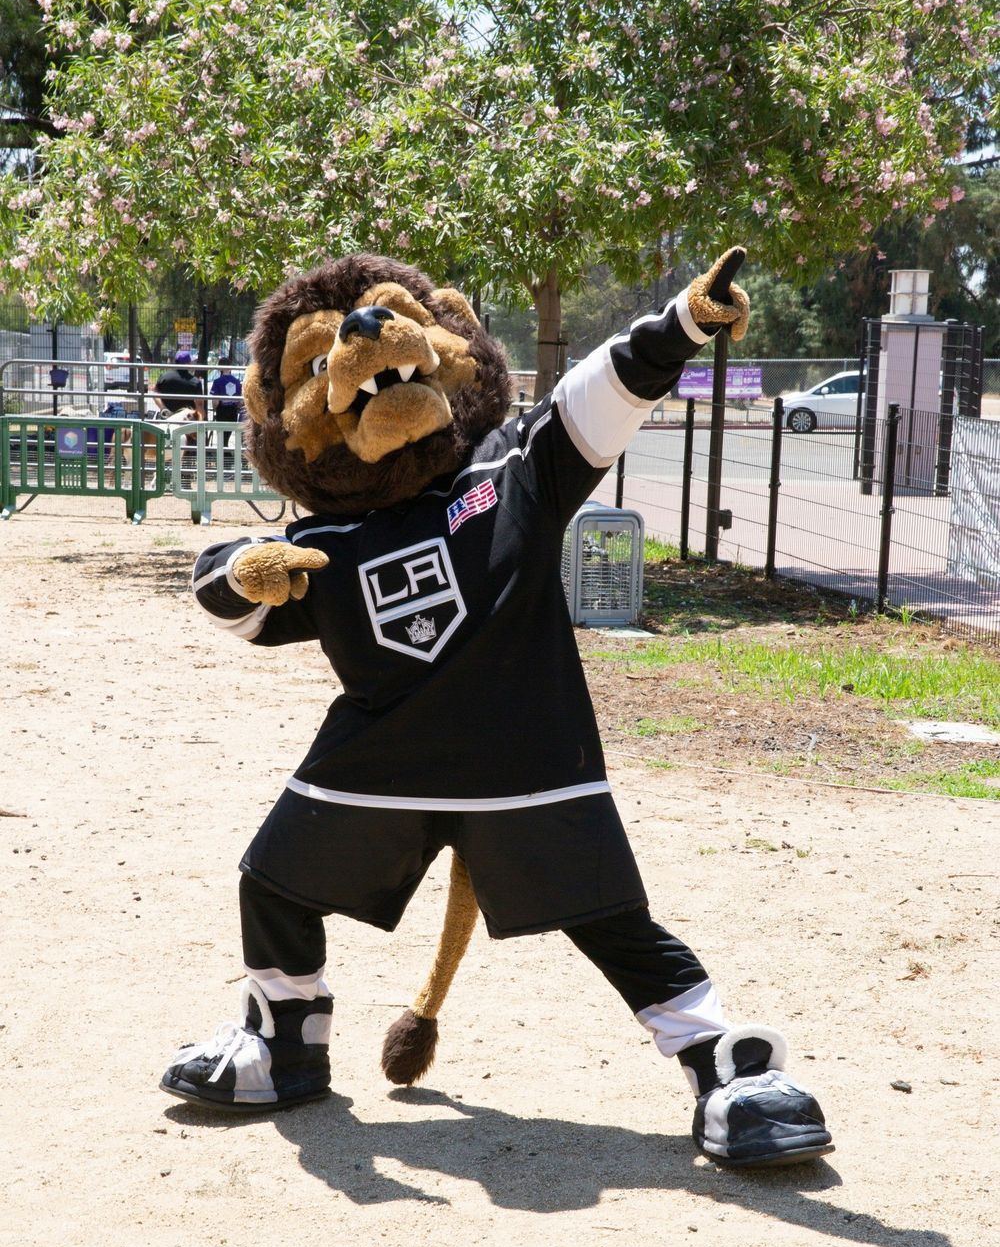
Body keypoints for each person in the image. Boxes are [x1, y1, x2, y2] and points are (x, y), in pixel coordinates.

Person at [160, 248, 834, 1168]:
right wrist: (240, 575)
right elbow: (232, 602)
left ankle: (727, 1066)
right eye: (321, 365)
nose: (361, 347)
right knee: (273, 880)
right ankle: (284, 1040)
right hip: (378, 765)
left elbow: (592, 404)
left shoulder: (511, 478)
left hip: (528, 761)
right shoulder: (324, 540)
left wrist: (679, 324)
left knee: (609, 917)